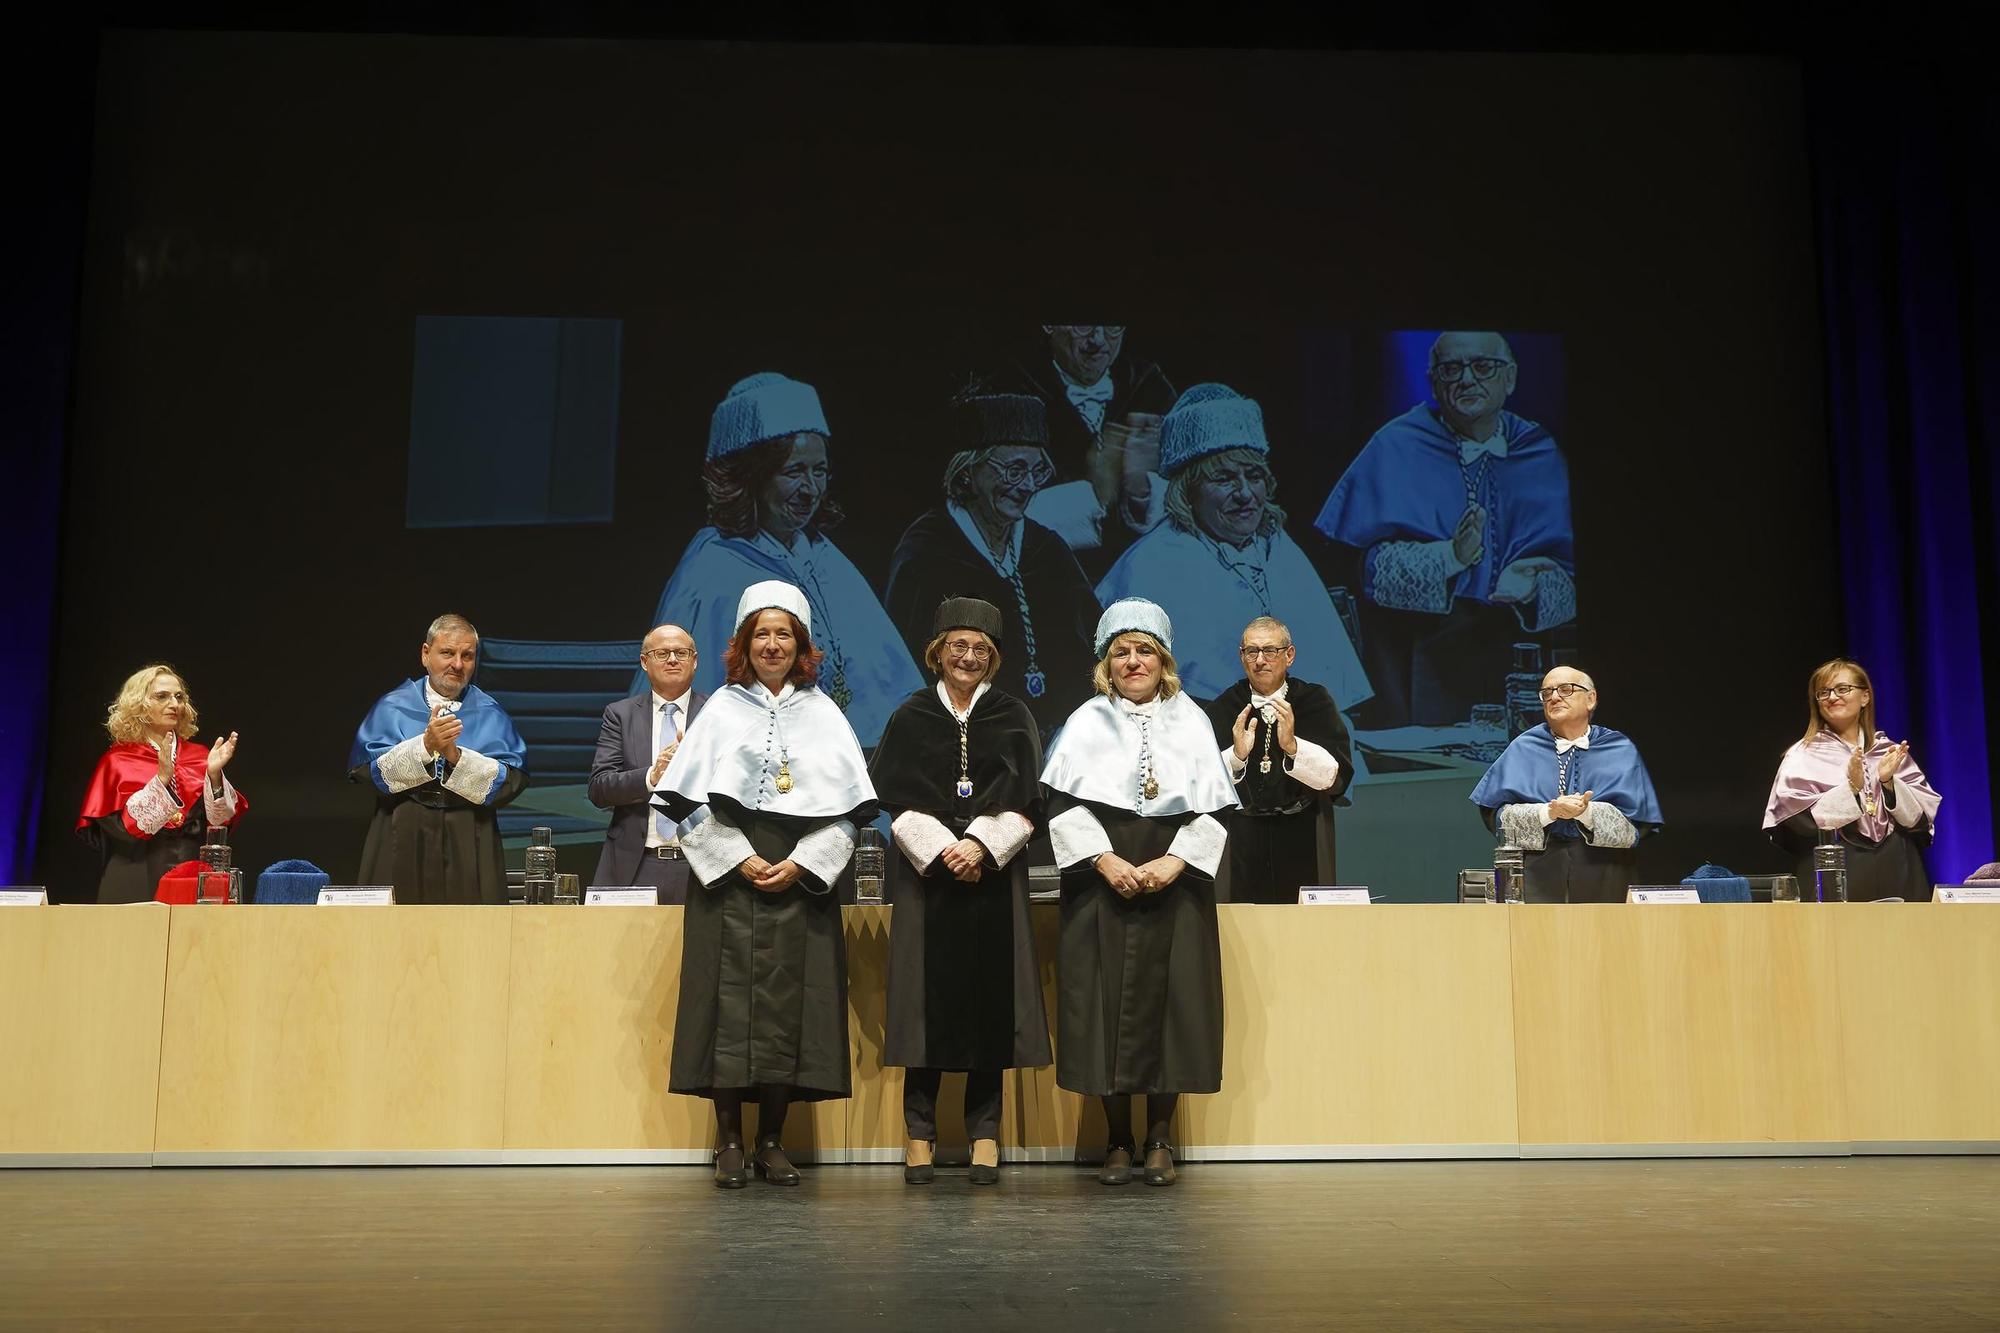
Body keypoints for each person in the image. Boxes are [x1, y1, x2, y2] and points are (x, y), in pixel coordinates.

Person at [655, 581, 875, 1188]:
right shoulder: (720, 709)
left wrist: (806, 862)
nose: (772, 645)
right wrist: (737, 856)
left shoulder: (824, 713)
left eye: (784, 634)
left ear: (800, 644)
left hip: (801, 881)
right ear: (743, 645)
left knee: (791, 1006)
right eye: (761, 634)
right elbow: (678, 804)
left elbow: (850, 813)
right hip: (729, 880)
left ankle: (773, 1139)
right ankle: (728, 1139)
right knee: (728, 1007)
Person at [1039, 599, 1237, 1187]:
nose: (1133, 661)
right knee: (1104, 1007)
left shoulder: (1193, 720)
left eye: (1144, 650)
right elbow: (1060, 805)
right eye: (1121, 651)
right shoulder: (1084, 722)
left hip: (1176, 888)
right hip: (1103, 885)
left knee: (1173, 1010)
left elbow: (1217, 812)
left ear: (1164, 659)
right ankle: (1117, 1139)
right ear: (1106, 663)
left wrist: (1175, 863)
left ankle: (1159, 1138)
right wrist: (1104, 860)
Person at [870, 597, 1051, 1186]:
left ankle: (984, 1134)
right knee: (924, 1010)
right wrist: (942, 849)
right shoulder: (911, 714)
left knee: (988, 1011)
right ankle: (918, 1136)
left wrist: (978, 847)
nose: (968, 657)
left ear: (993, 657)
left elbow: (1027, 798)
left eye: (980, 649)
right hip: (928, 881)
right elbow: (893, 796)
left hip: (993, 880)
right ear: (937, 652)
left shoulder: (1013, 714)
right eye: (958, 647)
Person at [644, 372, 921, 746]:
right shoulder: (713, 568)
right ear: (753, 478)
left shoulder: (826, 560)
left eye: (819, 471)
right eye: (794, 472)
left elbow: (891, 690)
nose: (811, 490)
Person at [1315, 331, 1576, 725]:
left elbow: (1576, 575)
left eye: (1483, 367)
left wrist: (1535, 587)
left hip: (1519, 654)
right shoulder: (1397, 444)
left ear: (1511, 378)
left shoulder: (1538, 449)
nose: (1467, 379)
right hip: (1417, 651)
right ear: (1434, 382)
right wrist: (1449, 558)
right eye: (1451, 369)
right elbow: (1354, 569)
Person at [1097, 383, 1373, 714]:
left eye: (1253, 476)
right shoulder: (1153, 564)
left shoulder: (1277, 547)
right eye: (1224, 479)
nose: (1245, 493)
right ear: (1189, 491)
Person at [883, 393, 1101, 739]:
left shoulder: (1045, 549)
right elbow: (909, 670)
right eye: (1014, 470)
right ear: (969, 470)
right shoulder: (927, 553)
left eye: (1036, 471)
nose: (1028, 486)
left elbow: (1090, 646)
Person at [348, 614, 528, 904]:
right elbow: (367, 772)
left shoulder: (490, 712)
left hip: (469, 835)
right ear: (425, 654)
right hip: (402, 830)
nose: (458, 664)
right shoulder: (393, 707)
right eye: (448, 653)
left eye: (467, 656)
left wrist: (455, 757)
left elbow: (512, 780)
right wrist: (424, 746)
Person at [971, 324, 1178, 572]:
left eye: (1112, 328)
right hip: (1044, 578)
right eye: (1083, 326)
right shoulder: (1007, 392)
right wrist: (1096, 493)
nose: (1098, 340)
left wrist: (1140, 491)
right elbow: (990, 514)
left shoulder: (1150, 388)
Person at [1468, 666, 1663, 903]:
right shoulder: (1524, 747)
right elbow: (1496, 817)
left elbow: (1636, 826)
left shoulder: (1618, 747)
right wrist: (1547, 812)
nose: (1554, 697)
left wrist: (1587, 813)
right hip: (1537, 873)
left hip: (1605, 870)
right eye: (1547, 692)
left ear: (1591, 699)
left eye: (1565, 689)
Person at [1203, 616, 1355, 902]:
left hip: (1303, 829)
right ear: (1241, 657)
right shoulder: (1225, 707)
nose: (1260, 660)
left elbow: (1337, 778)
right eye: (1252, 651)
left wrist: (1293, 746)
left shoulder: (1315, 701)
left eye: (1270, 650)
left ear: (1289, 655)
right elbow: (1204, 783)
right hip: (1242, 837)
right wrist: (1236, 757)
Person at [1763, 658, 1942, 901]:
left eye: (1843, 688)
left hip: (1898, 866)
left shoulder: (1888, 751)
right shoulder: (1803, 754)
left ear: (1865, 697)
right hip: (1836, 868)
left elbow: (1920, 821)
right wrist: (1851, 789)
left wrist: (1888, 783)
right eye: (1823, 692)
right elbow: (1795, 821)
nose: (1832, 697)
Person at [75, 664, 246, 904]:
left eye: (179, 697)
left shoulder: (200, 756)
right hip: (133, 877)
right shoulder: (117, 761)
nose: (174, 704)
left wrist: (215, 777)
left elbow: (220, 826)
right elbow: (121, 833)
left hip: (190, 878)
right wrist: (162, 780)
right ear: (138, 705)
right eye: (162, 696)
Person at [586, 623, 708, 901]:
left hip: (700, 864)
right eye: (662, 653)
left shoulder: (714, 714)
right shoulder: (621, 714)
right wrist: (652, 776)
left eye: (681, 652)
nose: (673, 659)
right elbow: (599, 789)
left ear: (695, 660)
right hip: (636, 863)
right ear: (644, 661)